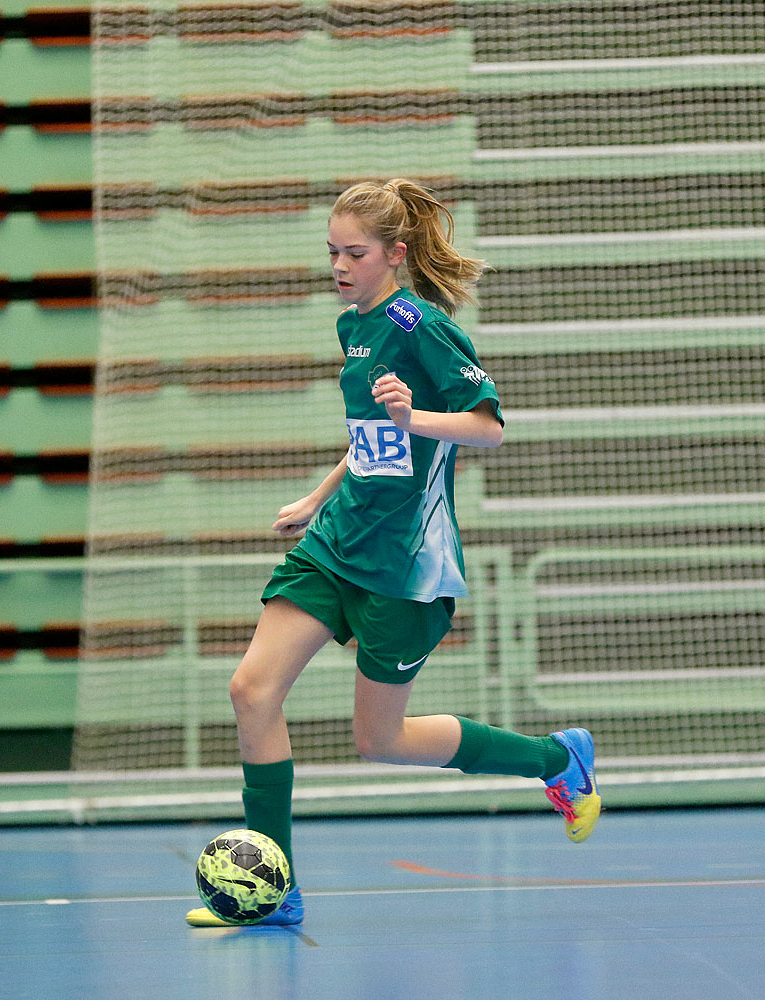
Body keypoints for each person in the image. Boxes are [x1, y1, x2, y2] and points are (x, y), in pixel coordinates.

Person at [185, 179, 600, 928]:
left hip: (406, 566)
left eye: (355, 253)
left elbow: (488, 428)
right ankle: (274, 890)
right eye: (332, 252)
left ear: (395, 255)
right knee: (252, 691)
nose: (340, 265)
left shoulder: (422, 326)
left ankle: (555, 760)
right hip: (336, 543)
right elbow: (373, 439)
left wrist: (421, 413)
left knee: (379, 740)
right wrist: (317, 497)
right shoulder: (354, 326)